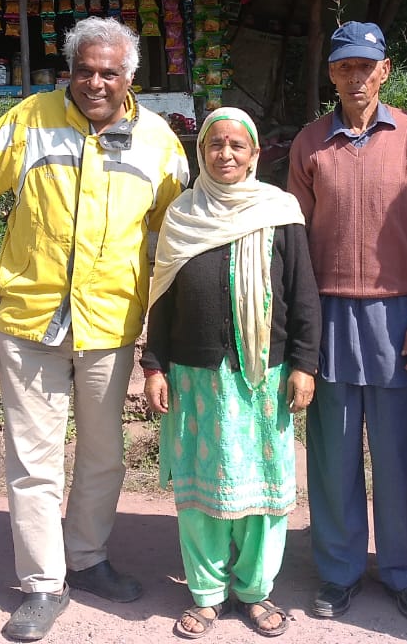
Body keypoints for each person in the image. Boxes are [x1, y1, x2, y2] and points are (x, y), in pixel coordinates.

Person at [0, 16, 189, 643]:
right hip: (29, 318)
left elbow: (177, 236)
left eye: (109, 72)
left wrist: (165, 333)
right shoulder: (30, 118)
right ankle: (43, 583)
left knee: (102, 454)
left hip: (111, 321)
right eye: (85, 70)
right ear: (70, 69)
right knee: (32, 460)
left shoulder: (158, 140)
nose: (96, 82)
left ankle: (86, 557)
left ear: (130, 77)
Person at [287, 20, 407, 625]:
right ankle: (338, 571)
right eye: (344, 67)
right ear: (332, 73)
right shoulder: (310, 143)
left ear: (385, 70)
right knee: (332, 454)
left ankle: (405, 570)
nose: (356, 77)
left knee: (399, 452)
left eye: (366, 66)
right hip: (327, 312)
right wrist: (299, 328)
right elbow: (293, 242)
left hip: (398, 313)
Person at [142, 107, 321, 639]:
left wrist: (305, 365)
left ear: (254, 154)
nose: (225, 154)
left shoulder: (279, 210)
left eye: (236, 146)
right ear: (202, 152)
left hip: (264, 375)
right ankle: (206, 593)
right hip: (197, 376)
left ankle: (255, 591)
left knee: (263, 491)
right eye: (215, 145)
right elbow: (163, 299)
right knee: (202, 492)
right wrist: (155, 365)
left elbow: (302, 296)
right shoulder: (182, 215)